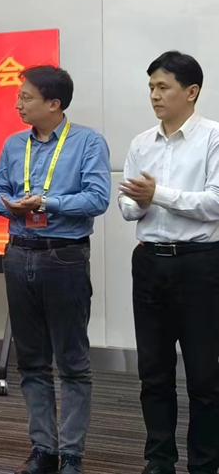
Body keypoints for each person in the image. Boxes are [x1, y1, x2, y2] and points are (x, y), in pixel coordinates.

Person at [0, 65, 111, 474]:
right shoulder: (13, 144)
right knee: (31, 362)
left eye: (26, 97)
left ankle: (72, 453)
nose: (18, 104)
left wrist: (46, 202)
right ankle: (44, 448)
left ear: (54, 103)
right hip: (18, 253)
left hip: (65, 257)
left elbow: (97, 198)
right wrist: (8, 204)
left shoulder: (88, 142)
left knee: (72, 362)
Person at [118, 51, 219, 474]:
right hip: (149, 262)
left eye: (164, 87)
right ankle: (159, 459)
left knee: (204, 376)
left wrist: (157, 195)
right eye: (151, 88)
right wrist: (140, 202)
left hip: (200, 265)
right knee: (153, 371)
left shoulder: (213, 138)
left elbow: (215, 203)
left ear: (191, 92)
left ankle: (205, 464)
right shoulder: (142, 142)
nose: (155, 96)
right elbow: (126, 205)